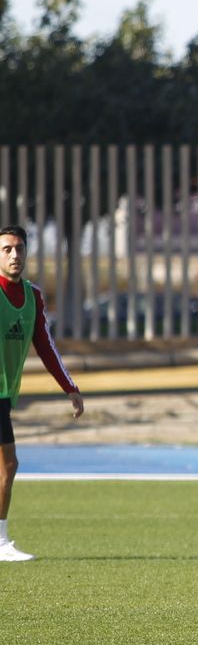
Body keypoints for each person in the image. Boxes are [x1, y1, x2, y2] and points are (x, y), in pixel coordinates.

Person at [0, 225, 85, 562]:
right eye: (6, 249)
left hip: (5, 393)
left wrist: (70, 388)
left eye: (19, 248)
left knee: (7, 465)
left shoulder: (33, 297)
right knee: (8, 464)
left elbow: (46, 346)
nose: (14, 255)